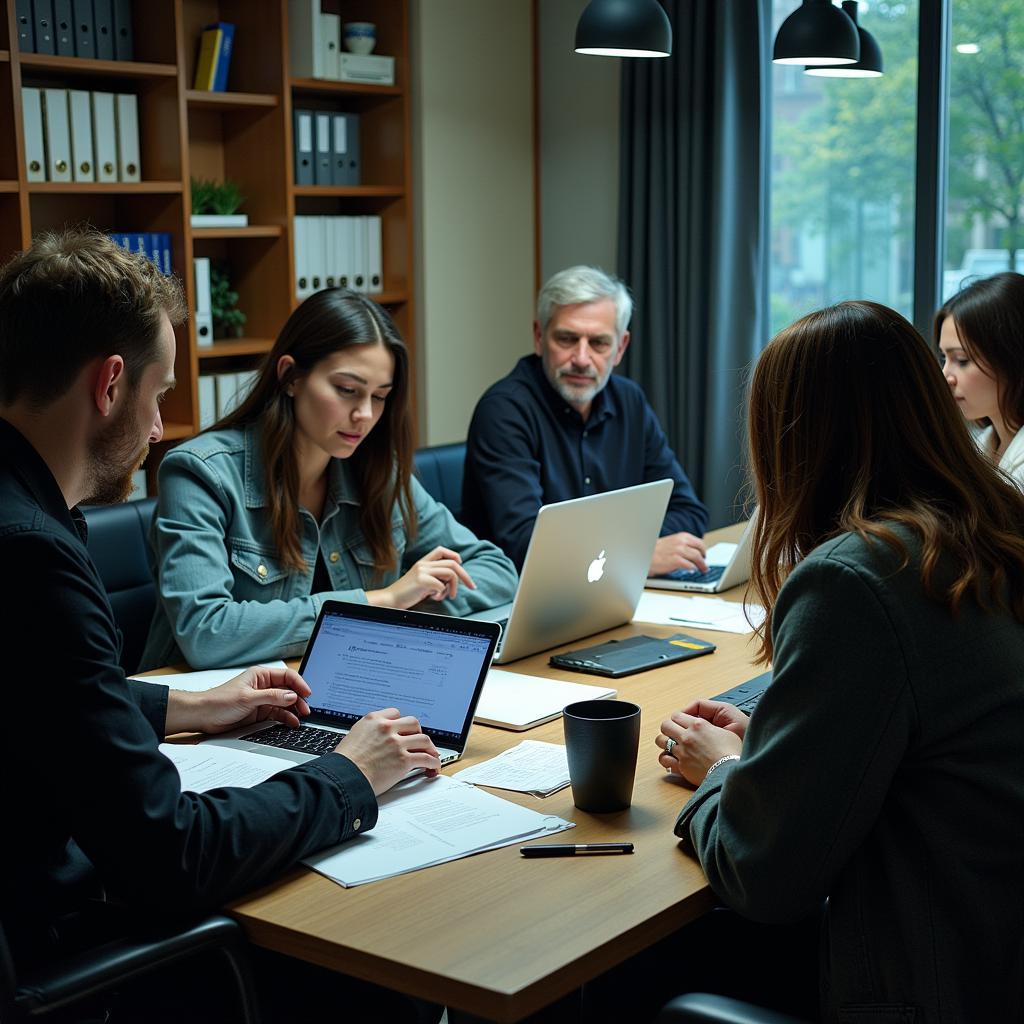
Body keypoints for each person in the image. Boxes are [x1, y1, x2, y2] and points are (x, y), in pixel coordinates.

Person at [0, 230, 442, 1014]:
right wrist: (350, 775)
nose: (160, 427)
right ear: (110, 384)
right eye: (159, 394)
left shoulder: (29, 515)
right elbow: (170, 855)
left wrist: (187, 706)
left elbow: (39, 694)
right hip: (66, 944)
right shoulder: (34, 556)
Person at [657, 302, 1024, 1020]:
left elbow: (763, 874)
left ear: (793, 438)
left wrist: (724, 772)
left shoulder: (856, 579)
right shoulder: (994, 527)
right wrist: (776, 743)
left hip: (930, 979)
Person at [141, 288, 517, 671]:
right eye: (347, 391)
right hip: (209, 713)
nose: (365, 415)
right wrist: (383, 601)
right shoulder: (200, 472)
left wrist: (408, 602)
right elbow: (205, 633)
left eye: (380, 396)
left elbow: (497, 572)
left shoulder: (376, 471)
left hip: (345, 684)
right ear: (290, 376)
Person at [461, 265, 709, 574]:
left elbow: (688, 511)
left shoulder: (629, 400)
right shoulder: (504, 410)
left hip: (612, 590)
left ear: (620, 347)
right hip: (522, 600)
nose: (581, 358)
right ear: (539, 337)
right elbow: (527, 545)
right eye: (567, 339)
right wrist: (634, 554)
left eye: (598, 343)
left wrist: (612, 554)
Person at [935, 270, 1024, 489]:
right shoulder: (978, 446)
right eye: (944, 358)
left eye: (962, 360)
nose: (946, 377)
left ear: (1011, 357)